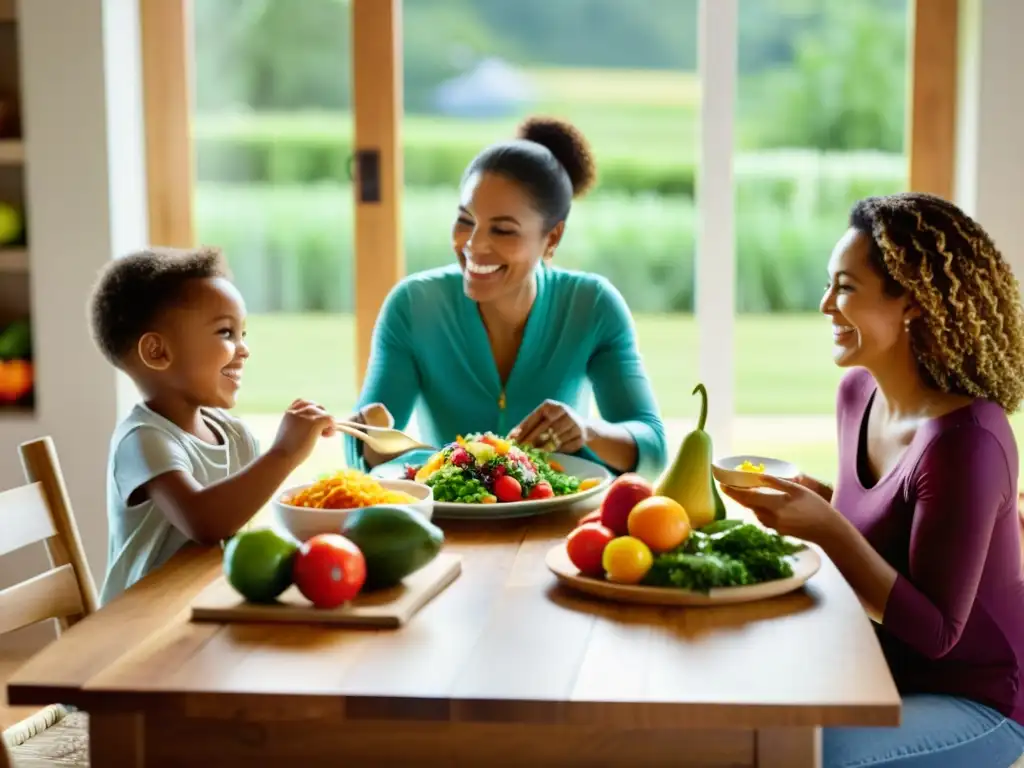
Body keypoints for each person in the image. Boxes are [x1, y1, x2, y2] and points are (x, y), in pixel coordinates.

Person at [720, 193, 1024, 766]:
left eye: (845, 287)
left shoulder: (969, 441)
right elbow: (894, 534)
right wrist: (822, 502)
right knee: (734, 713)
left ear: (910, 302)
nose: (824, 304)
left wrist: (828, 528)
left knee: (811, 756)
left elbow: (938, 632)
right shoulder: (858, 395)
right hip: (881, 671)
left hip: (979, 700)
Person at [346, 117, 667, 479]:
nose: (473, 245)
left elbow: (653, 448)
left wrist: (587, 431)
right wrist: (367, 434)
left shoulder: (591, 305)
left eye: (502, 230)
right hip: (451, 522)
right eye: (466, 220)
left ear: (552, 238)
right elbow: (365, 456)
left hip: (560, 522)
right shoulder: (413, 306)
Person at [89, 247, 336, 605]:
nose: (244, 349)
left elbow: (240, 512)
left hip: (205, 604)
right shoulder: (142, 440)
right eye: (225, 333)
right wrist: (284, 452)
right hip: (138, 624)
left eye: (243, 333)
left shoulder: (234, 435)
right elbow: (204, 522)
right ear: (157, 352)